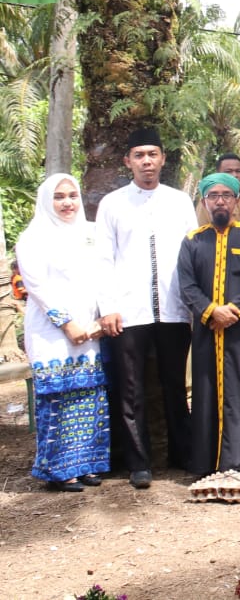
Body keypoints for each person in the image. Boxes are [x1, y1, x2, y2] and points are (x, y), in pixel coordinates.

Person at [95, 127, 198, 488]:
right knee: (131, 388)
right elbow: (103, 259)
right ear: (128, 161)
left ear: (163, 159)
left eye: (152, 154)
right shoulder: (113, 203)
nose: (147, 161)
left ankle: (182, 454)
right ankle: (139, 462)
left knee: (174, 386)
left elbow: (191, 253)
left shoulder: (179, 201)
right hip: (128, 312)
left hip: (173, 310)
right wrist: (107, 307)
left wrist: (193, 305)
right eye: (139, 155)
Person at [179, 173, 240, 478]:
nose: (220, 201)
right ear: (205, 202)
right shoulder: (193, 241)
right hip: (208, 331)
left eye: (226, 195)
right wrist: (210, 311)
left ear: (236, 200)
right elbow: (187, 284)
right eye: (213, 196)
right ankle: (206, 462)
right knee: (207, 393)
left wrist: (233, 310)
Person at [19, 173, 110, 492]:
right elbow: (37, 287)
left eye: (72, 195)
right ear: (47, 200)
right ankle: (59, 470)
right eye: (59, 197)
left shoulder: (91, 232)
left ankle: (86, 464)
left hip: (90, 328)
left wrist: (101, 318)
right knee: (59, 396)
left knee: (88, 394)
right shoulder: (33, 237)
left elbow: (104, 274)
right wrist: (67, 324)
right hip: (52, 331)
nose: (67, 202)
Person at [196, 153, 240, 230]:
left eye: (238, 171)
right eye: (228, 171)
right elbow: (202, 232)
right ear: (218, 173)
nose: (235, 175)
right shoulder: (208, 201)